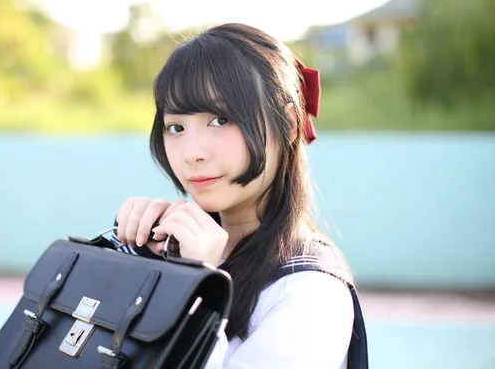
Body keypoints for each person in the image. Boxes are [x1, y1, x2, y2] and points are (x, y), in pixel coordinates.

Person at [113, 23, 369, 368]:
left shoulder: (309, 290)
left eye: (220, 120)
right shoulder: (177, 248)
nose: (192, 152)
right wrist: (136, 255)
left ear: (289, 123)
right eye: (176, 127)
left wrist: (198, 283)